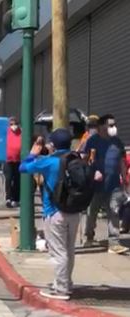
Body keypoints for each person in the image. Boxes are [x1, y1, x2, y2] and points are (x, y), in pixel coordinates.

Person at [20, 128, 78, 300]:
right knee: (69, 250)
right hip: (74, 211)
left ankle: (61, 289)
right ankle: (66, 282)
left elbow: (23, 168)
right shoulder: (76, 158)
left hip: (54, 211)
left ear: (52, 144)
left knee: (58, 252)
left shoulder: (49, 162)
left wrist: (32, 153)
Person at [83, 114, 128, 254]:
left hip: (113, 185)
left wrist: (124, 179)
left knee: (113, 212)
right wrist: (87, 175)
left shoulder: (117, 142)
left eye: (114, 124)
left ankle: (114, 242)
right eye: (110, 125)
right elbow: (85, 160)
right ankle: (89, 237)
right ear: (101, 126)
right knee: (92, 213)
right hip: (95, 185)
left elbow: (122, 162)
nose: (113, 127)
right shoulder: (92, 141)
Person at [5, 117, 22, 208]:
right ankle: (8, 198)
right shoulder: (6, 131)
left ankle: (16, 199)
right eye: (11, 124)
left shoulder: (22, 132)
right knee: (8, 179)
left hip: (18, 160)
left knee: (17, 180)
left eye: (14, 123)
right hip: (8, 160)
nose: (13, 126)